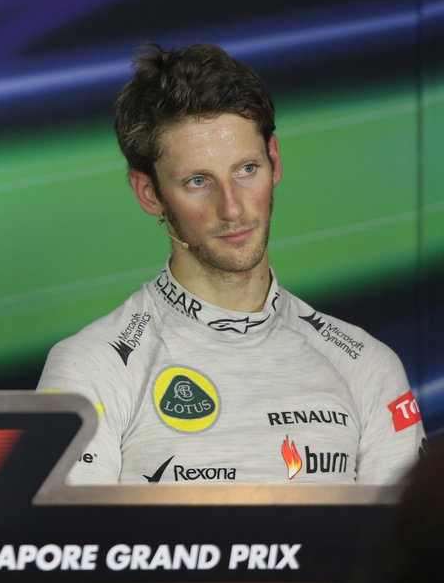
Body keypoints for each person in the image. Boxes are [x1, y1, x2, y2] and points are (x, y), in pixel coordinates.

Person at [37, 43, 424, 484]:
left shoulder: (366, 365)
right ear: (149, 193)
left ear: (274, 161)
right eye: (198, 181)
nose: (233, 208)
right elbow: (70, 547)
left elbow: (403, 551)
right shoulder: (91, 367)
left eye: (246, 169)